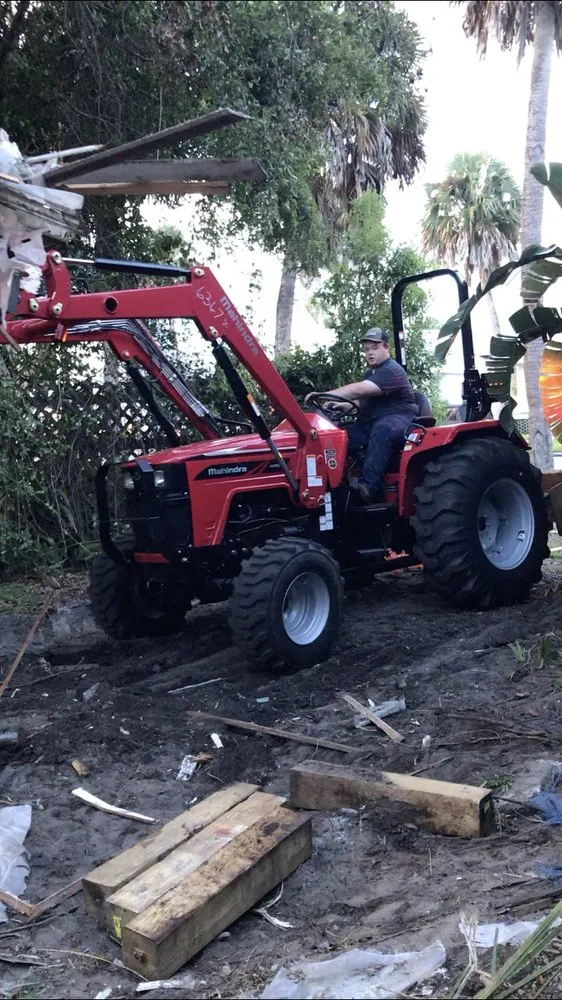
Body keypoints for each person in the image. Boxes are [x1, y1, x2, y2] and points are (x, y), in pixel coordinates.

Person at [307, 327, 418, 502]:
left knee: (383, 430)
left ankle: (368, 486)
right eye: (366, 349)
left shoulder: (391, 371)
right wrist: (339, 406)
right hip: (371, 422)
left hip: (401, 419)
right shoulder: (371, 373)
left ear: (386, 347)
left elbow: (359, 390)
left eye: (374, 348)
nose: (369, 353)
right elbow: (361, 403)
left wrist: (324, 395)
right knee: (341, 437)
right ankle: (336, 485)